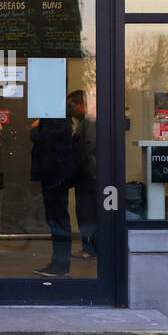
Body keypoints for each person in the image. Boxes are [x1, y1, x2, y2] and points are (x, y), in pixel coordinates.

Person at [30, 101, 76, 276]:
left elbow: (46, 140)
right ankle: (59, 263)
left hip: (54, 173)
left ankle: (60, 265)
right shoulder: (60, 112)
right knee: (57, 218)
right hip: (56, 172)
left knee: (57, 218)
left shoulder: (57, 113)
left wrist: (35, 129)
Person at [68, 90, 97, 258]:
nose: (69, 109)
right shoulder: (82, 122)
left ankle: (90, 249)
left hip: (88, 177)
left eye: (71, 105)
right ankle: (88, 248)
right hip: (85, 176)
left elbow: (88, 149)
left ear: (81, 104)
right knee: (85, 212)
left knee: (87, 213)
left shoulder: (89, 123)